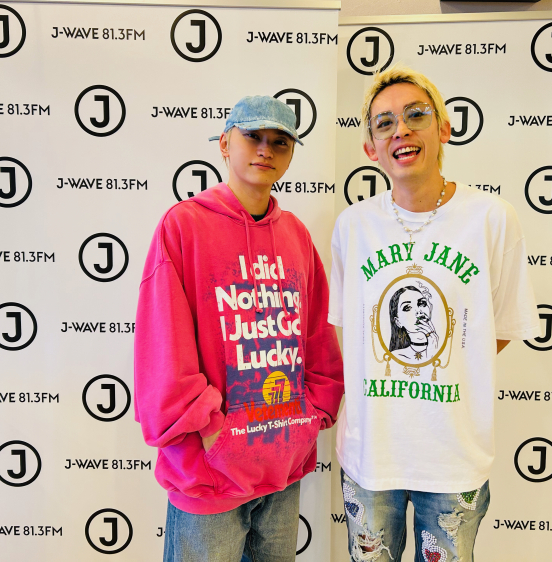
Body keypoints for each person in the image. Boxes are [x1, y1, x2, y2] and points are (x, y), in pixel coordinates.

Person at [329, 65, 541, 562]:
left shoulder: (492, 218)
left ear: (443, 129)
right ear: (371, 148)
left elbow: (498, 328)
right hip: (370, 453)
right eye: (384, 123)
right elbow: (349, 330)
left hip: (453, 456)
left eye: (416, 115)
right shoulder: (353, 226)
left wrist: (450, 362)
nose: (400, 130)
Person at [134, 95, 344, 562]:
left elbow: (316, 334)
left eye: (280, 141)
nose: (266, 149)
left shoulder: (295, 234)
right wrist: (211, 430)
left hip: (283, 466)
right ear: (225, 144)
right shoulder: (184, 225)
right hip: (208, 474)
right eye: (253, 136)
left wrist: (311, 417)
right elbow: (164, 343)